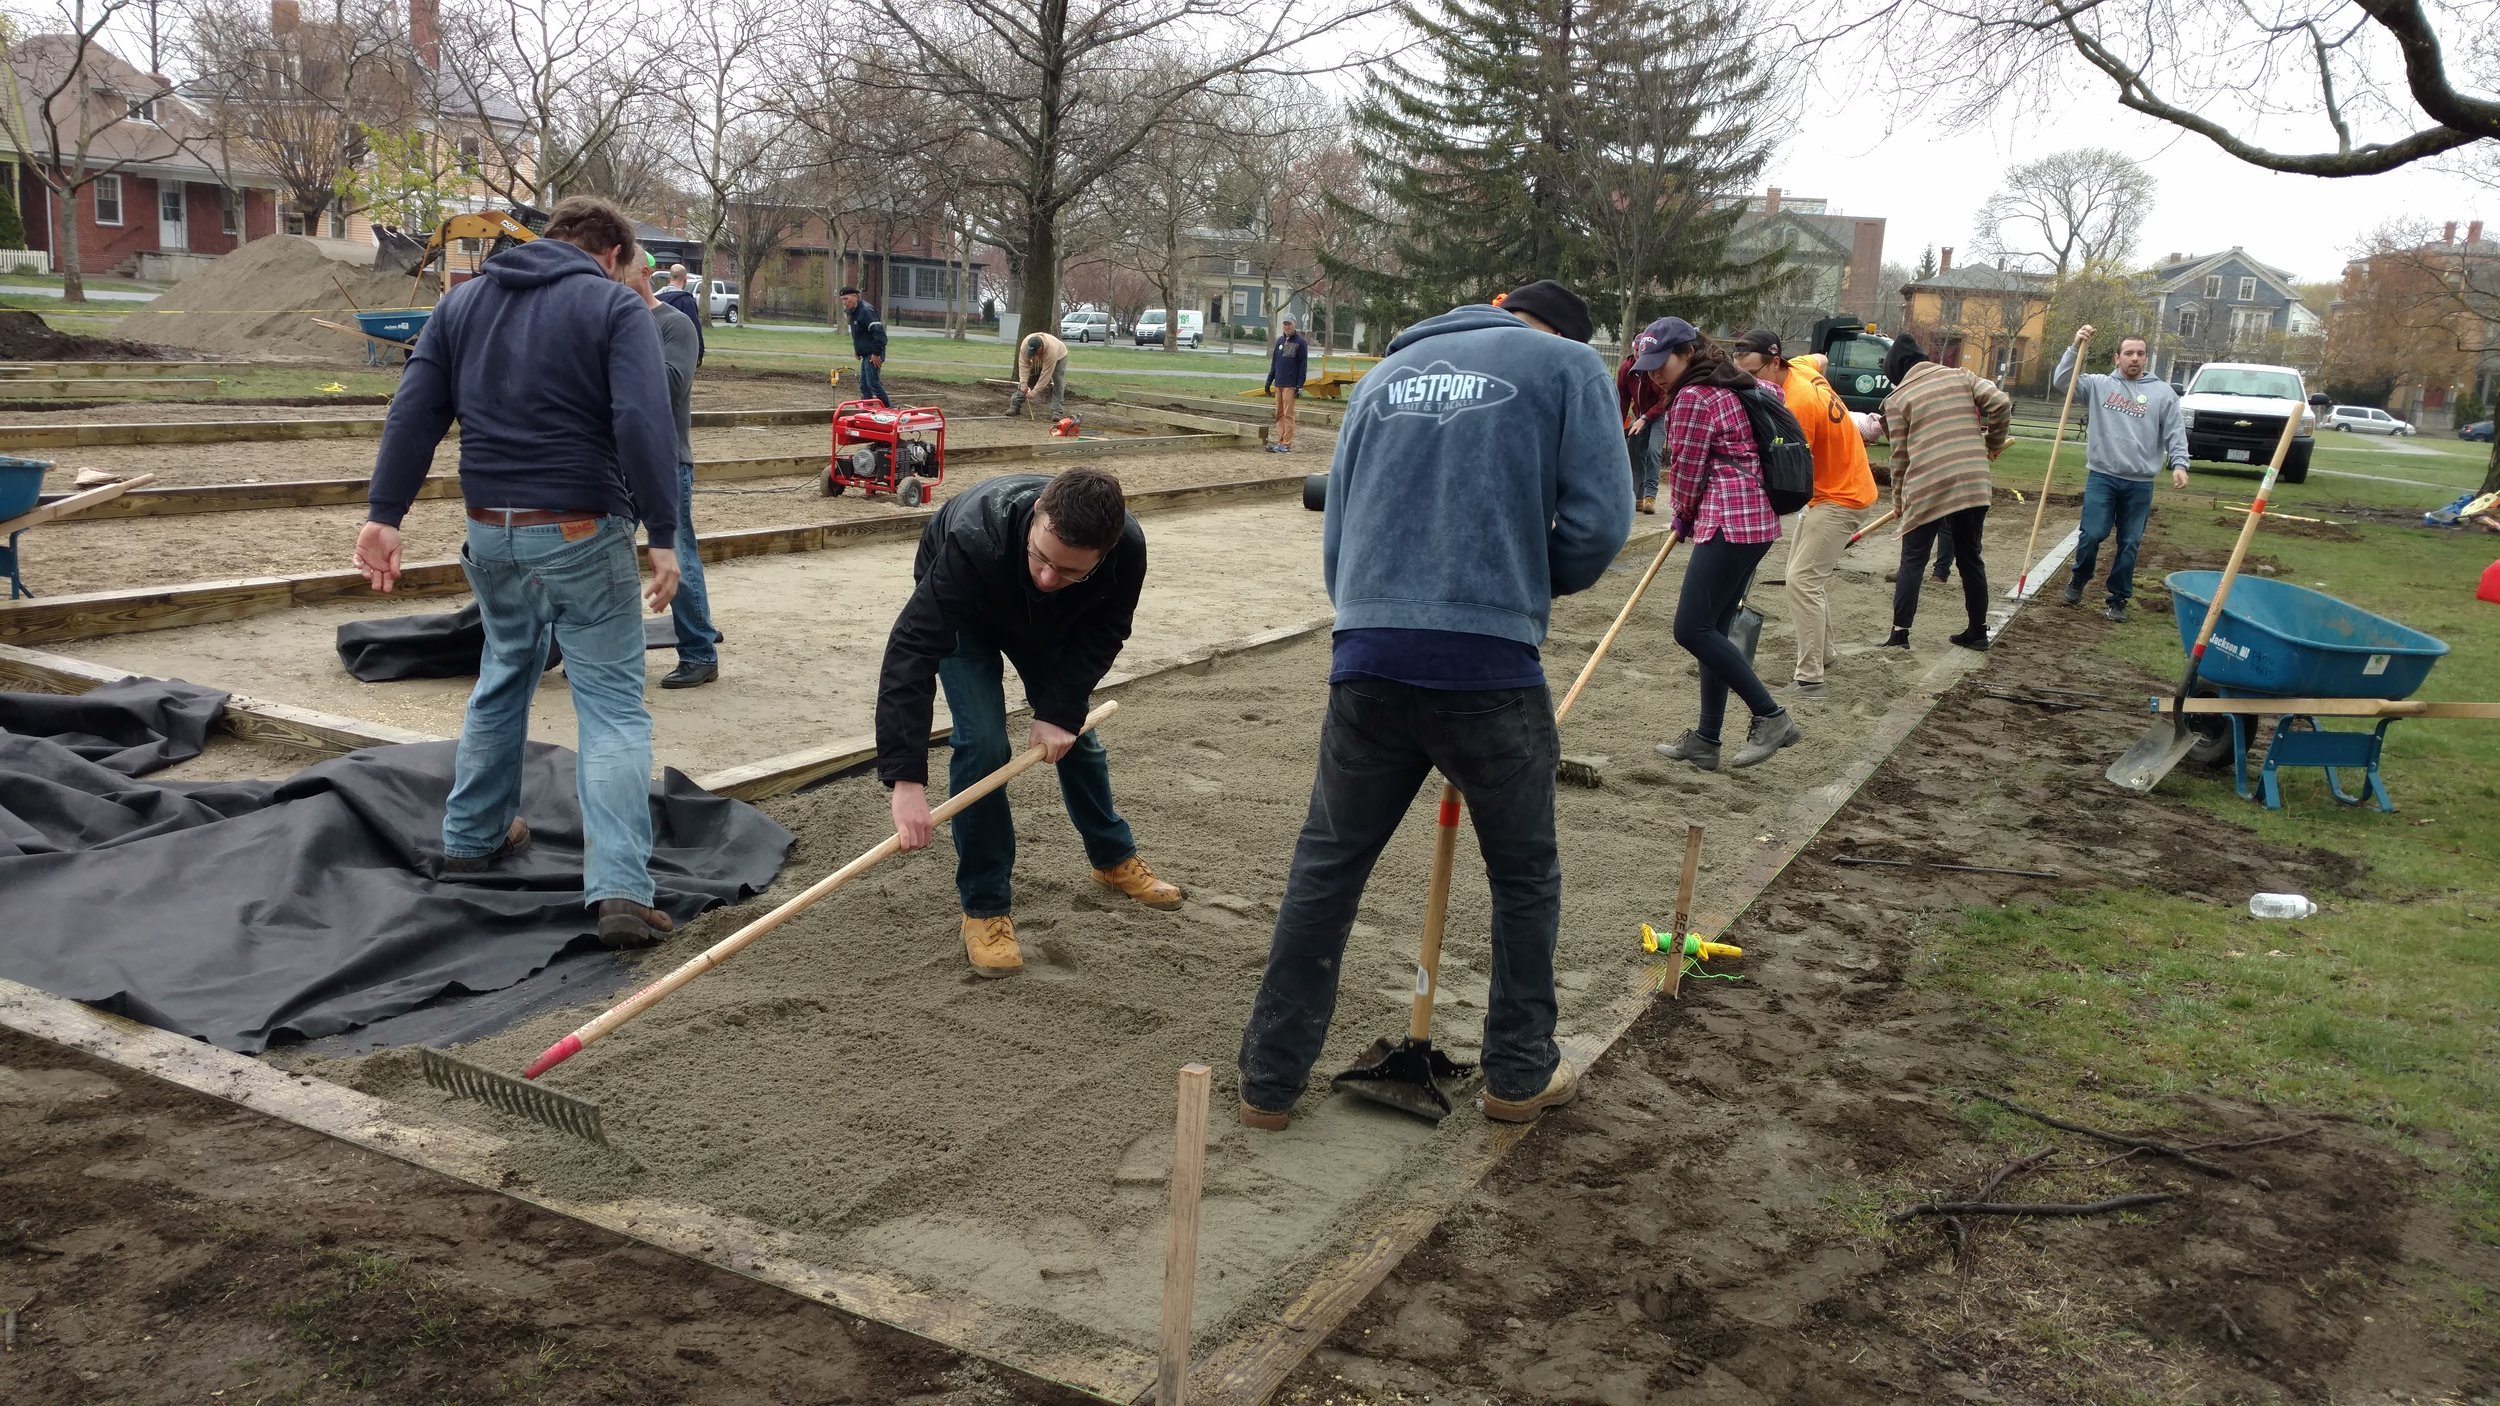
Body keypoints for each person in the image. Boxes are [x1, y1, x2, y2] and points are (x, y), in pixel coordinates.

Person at [1236, 278, 1632, 1132]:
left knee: (1327, 868)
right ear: (1564, 330)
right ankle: (1519, 1074)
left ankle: (1268, 1081)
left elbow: (1338, 533)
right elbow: (1602, 525)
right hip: (1488, 664)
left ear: (1494, 308)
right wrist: (1523, 583)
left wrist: (1377, 612)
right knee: (1524, 874)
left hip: (1368, 656)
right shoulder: (1568, 368)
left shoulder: (1386, 374)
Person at [354, 195, 682, 949]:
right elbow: (640, 419)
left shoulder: (463, 304)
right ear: (610, 254)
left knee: (503, 674)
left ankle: (472, 836)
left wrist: (385, 514)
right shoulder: (613, 307)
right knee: (611, 708)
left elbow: (415, 410)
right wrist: (662, 533)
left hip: (490, 532)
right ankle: (623, 887)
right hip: (579, 526)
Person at [875, 468, 1183, 978]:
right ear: (1039, 510)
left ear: (1103, 555)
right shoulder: (973, 537)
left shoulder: (1127, 547)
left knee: (1077, 741)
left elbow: (1107, 629)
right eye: (1042, 557)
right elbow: (912, 648)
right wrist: (905, 779)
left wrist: (1059, 711)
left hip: (1054, 620)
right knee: (983, 744)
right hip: (970, 611)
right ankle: (986, 907)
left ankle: (1112, 858)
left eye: (1068, 570)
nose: (1046, 577)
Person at [1643, 318, 1797, 771]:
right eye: (1647, 368)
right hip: (1758, 521)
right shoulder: (1738, 382)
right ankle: (1707, 739)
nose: (1654, 375)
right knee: (1713, 627)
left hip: (1728, 521)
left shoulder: (1693, 396)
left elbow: (1688, 471)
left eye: (1660, 364)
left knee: (1691, 629)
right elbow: (1776, 397)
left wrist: (1682, 516)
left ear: (1687, 352)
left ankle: (1772, 716)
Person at [1729, 329, 1880, 696]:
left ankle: (1810, 678)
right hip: (1837, 489)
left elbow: (1786, 473)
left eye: (1754, 374)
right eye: (1742, 375)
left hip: (1841, 496)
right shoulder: (1801, 366)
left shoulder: (1794, 408)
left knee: (1802, 581)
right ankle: (1825, 654)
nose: (1750, 383)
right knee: (1804, 577)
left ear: (1775, 362)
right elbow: (1822, 359)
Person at [621, 254, 720, 689]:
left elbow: (671, 383)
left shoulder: (674, 324)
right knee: (602, 557)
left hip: (665, 459)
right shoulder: (606, 325)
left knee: (678, 552)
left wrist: (622, 344)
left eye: (615, 268)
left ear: (643, 272)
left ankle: (699, 653)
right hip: (613, 462)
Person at [1877, 335, 2010, 650]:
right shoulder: (1961, 375)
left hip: (1929, 484)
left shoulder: (1896, 400)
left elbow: (1900, 459)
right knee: (1970, 557)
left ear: (1897, 371)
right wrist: (1994, 444)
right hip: (1973, 480)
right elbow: (2001, 402)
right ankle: (1978, 632)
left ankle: (1900, 635)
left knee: (1912, 560)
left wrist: (1898, 502)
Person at [2052, 325, 2190, 622]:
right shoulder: (2098, 385)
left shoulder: (2163, 394)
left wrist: (2180, 464)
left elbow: (2175, 433)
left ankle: (2118, 600)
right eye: (2129, 353)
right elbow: (2063, 380)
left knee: (2129, 543)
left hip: (2140, 483)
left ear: (2146, 358)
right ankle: (2079, 578)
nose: (2135, 358)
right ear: (2117, 358)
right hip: (2103, 476)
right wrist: (2076, 345)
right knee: (2092, 535)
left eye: (2140, 353)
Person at [1616, 341, 1665, 513]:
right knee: (1634, 452)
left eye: (1642, 351)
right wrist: (1619, 425)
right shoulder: (1626, 369)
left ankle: (1650, 497)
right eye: (1637, 350)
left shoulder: (1655, 369)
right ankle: (1637, 497)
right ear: (1633, 349)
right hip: (1639, 416)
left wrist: (1645, 418)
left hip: (1659, 415)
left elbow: (1665, 399)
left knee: (1653, 451)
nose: (1639, 354)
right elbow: (1622, 398)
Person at [1264, 315, 1309, 453]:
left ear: (1294, 324)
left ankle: (1286, 444)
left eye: (1289, 324)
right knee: (1279, 413)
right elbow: (1275, 364)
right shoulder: (1279, 341)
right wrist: (1269, 381)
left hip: (1290, 384)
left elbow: (1303, 365)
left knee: (1288, 414)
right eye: (1285, 324)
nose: (1287, 326)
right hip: (1279, 383)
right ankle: (1280, 441)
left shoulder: (1301, 343)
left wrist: (1299, 385)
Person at [841, 286, 891, 407]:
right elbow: (860, 334)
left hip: (873, 353)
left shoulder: (866, 311)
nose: (844, 302)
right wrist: (858, 350)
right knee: (864, 385)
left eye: (846, 298)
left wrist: (876, 353)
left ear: (855, 297)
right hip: (866, 354)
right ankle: (867, 410)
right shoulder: (854, 312)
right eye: (842, 299)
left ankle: (889, 408)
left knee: (872, 383)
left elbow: (880, 335)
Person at [1009, 330, 1068, 418]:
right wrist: (1024, 383)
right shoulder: (1025, 345)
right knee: (1028, 380)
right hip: (1043, 355)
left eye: (1035, 352)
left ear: (1041, 347)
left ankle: (1056, 411)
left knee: (1058, 381)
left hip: (1059, 356)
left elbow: (1046, 374)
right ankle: (1014, 406)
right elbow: (1023, 365)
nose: (1033, 355)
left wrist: (1035, 392)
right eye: (1032, 353)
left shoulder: (1051, 350)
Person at [656, 264, 703, 365]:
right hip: (679, 354)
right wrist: (699, 353)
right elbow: (694, 328)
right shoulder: (686, 301)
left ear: (670, 278)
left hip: (656, 350)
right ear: (685, 279)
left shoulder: (655, 298)